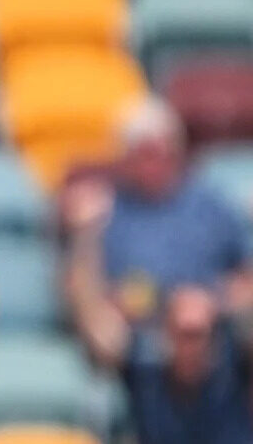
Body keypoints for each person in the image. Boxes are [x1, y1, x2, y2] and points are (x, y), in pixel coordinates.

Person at [62, 97, 253, 327]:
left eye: (160, 152)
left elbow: (246, 277)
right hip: (131, 332)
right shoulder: (106, 209)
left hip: (209, 327)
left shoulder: (211, 205)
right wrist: (84, 234)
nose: (153, 164)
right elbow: (81, 289)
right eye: (143, 154)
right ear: (126, 158)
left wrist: (213, 301)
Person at [69, 211, 253, 441]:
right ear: (167, 331)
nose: (191, 345)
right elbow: (96, 327)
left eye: (198, 334)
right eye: (184, 333)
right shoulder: (144, 364)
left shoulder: (237, 365)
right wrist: (86, 237)